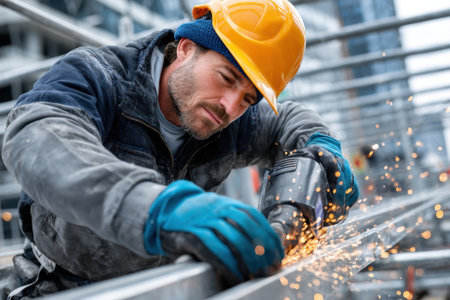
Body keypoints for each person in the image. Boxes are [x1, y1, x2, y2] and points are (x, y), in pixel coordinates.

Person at [1, 0, 359, 297]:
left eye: (248, 98)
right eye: (227, 78)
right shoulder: (96, 76)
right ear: (186, 48)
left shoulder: (229, 116)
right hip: (66, 288)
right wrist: (157, 209)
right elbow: (38, 139)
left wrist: (320, 151)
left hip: (170, 287)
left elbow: (290, 119)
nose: (230, 107)